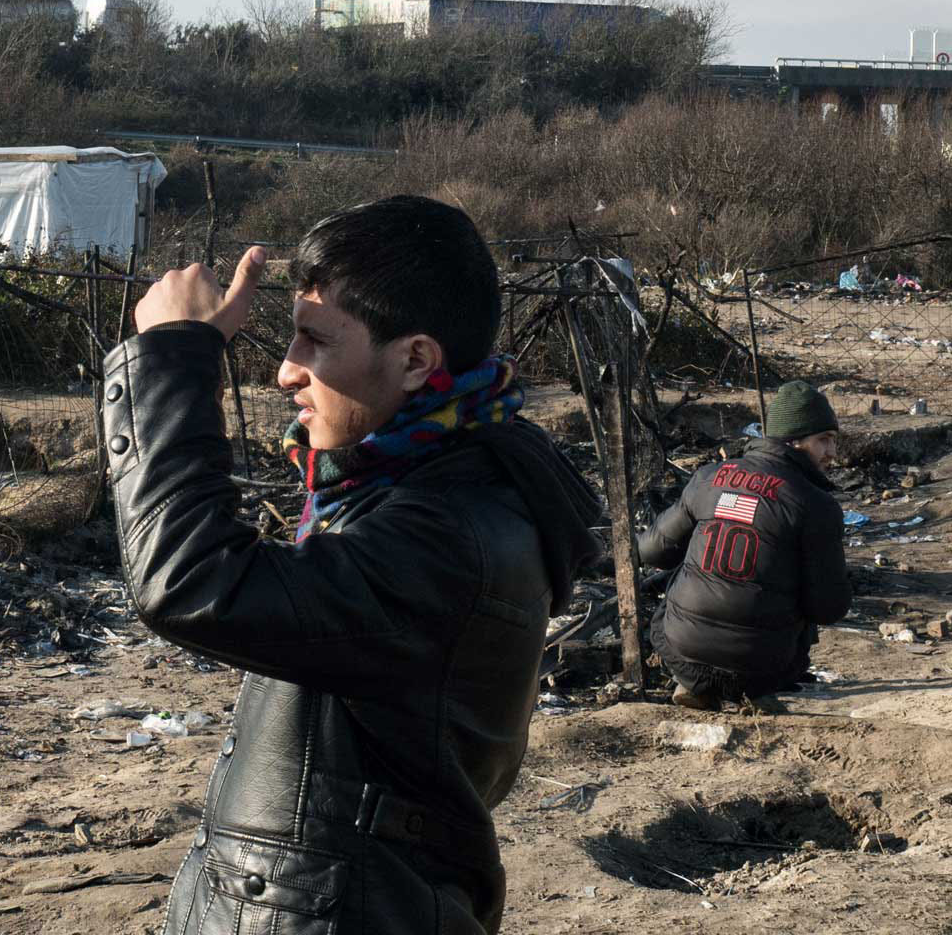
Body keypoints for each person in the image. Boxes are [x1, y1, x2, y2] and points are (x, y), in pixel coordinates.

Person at [102, 195, 602, 934]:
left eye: (315, 341)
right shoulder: (426, 483)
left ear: (414, 359)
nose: (285, 372)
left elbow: (191, 581)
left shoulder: (446, 533)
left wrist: (173, 359)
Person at [637, 381, 851, 713]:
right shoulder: (815, 504)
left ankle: (695, 687)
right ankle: (753, 694)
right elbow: (829, 608)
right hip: (762, 669)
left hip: (683, 655)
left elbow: (652, 552)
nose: (832, 453)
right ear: (794, 441)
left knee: (689, 567)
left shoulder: (709, 477)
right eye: (823, 440)